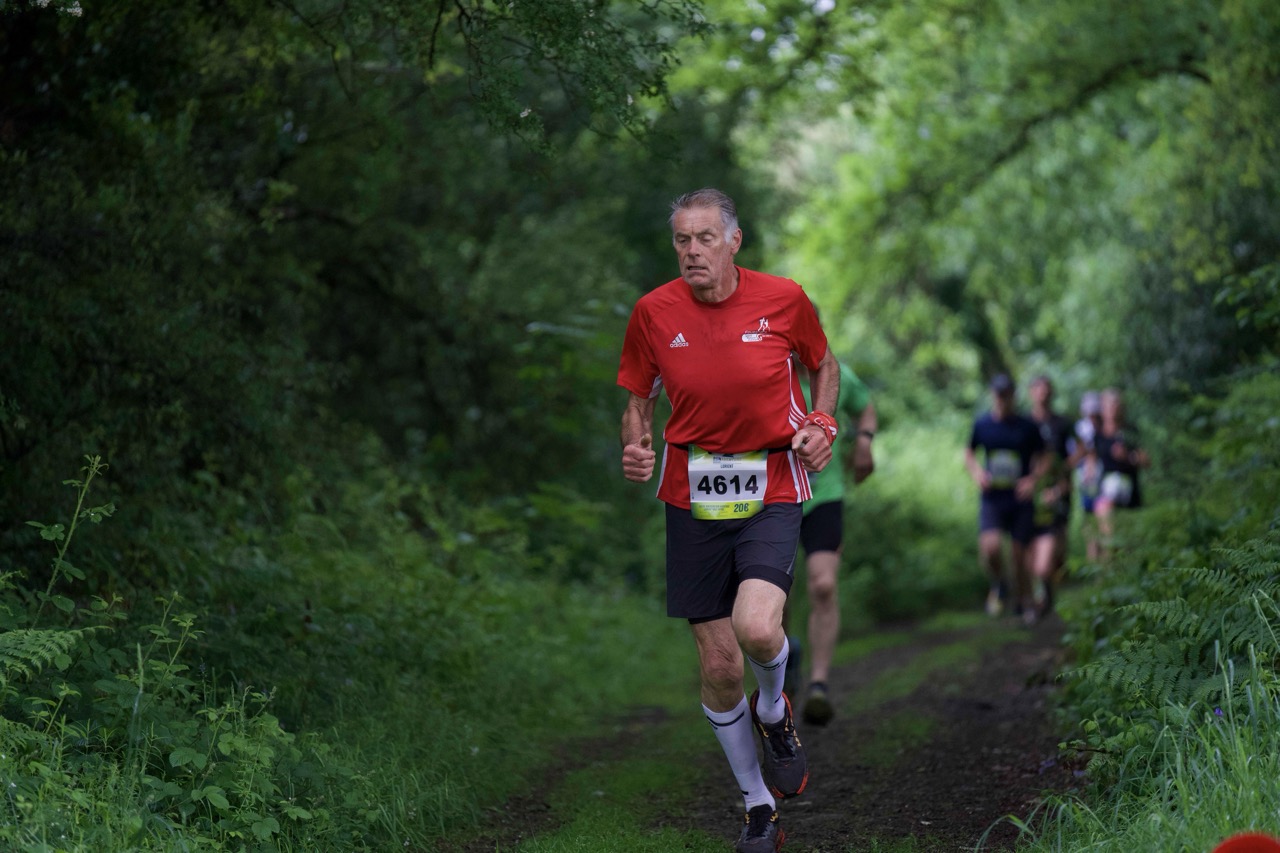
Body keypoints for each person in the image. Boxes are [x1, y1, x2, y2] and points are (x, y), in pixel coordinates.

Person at [617, 188, 840, 853]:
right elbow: (637, 396)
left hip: (772, 481)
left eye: (705, 238)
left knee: (757, 627)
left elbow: (823, 363)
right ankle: (757, 807)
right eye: (682, 240)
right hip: (692, 495)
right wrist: (636, 441)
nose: (692, 251)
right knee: (718, 666)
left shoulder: (784, 299)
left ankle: (774, 708)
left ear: (734, 241)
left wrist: (822, 422)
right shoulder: (653, 312)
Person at [786, 356, 875, 726]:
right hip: (774, 496)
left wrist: (864, 442)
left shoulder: (832, 372)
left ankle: (818, 684)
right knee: (776, 595)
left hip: (824, 494)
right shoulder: (765, 363)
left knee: (823, 586)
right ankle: (784, 657)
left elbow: (865, 407)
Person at [963, 374, 1045, 623]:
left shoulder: (1027, 426)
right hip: (993, 498)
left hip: (1019, 498)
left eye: (1007, 394)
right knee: (991, 548)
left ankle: (1025, 601)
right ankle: (1000, 583)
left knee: (1020, 555)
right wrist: (978, 474)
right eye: (999, 394)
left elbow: (1045, 456)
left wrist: (1032, 480)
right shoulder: (982, 424)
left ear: (1013, 396)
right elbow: (969, 453)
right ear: (992, 395)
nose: (1002, 399)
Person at [1026, 376, 1077, 620]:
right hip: (1030, 493)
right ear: (1031, 393)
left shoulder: (1063, 423)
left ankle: (1046, 588)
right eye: (1039, 390)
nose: (1043, 394)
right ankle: (1039, 594)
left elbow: (1082, 449)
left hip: (1057, 492)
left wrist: (1062, 470)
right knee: (1031, 548)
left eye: (1047, 390)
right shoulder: (1024, 423)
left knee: (1056, 550)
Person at [1092, 388, 1150, 558]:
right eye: (1108, 404)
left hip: (1130, 494)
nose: (1112, 408)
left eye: (1115, 404)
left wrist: (1129, 457)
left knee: (1130, 543)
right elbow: (1092, 459)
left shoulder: (1130, 432)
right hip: (1105, 494)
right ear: (1102, 408)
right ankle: (1109, 561)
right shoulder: (1097, 435)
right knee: (1108, 535)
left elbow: (1146, 461)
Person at [1072, 391, 1104, 563]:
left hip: (1104, 478)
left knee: (1103, 517)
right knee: (1089, 518)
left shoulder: (1105, 426)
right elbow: (1075, 453)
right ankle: (1093, 560)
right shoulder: (1080, 428)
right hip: (1086, 478)